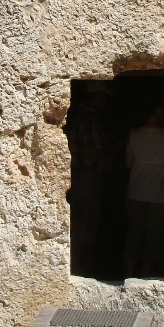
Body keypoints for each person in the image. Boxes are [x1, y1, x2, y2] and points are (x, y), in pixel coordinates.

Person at [64, 84, 112, 276]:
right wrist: (112, 150)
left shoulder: (78, 118)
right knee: (86, 223)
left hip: (80, 175)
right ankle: (81, 268)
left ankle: (78, 265)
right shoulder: (90, 120)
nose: (105, 102)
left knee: (80, 221)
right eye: (104, 98)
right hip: (88, 177)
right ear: (96, 97)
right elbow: (93, 154)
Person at [123, 103, 164, 278]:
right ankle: (146, 273)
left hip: (135, 192)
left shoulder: (133, 134)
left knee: (134, 233)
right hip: (160, 196)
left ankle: (128, 271)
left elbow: (128, 163)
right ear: (157, 110)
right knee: (154, 236)